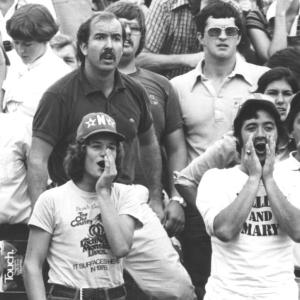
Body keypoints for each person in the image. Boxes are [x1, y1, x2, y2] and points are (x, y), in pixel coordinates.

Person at [27, 10, 163, 229]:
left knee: (166, 262)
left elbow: (149, 144)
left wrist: (156, 198)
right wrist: (41, 222)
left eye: (116, 38)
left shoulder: (136, 91)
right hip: (74, 206)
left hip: (125, 203)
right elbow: (37, 160)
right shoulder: (58, 95)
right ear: (83, 46)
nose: (109, 46)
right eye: (100, 37)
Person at [170, 1, 268, 296]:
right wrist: (177, 198)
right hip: (199, 200)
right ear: (200, 36)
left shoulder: (261, 79)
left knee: (253, 282)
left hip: (254, 199)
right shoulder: (178, 86)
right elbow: (172, 148)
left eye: (230, 30)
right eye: (214, 31)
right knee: (204, 281)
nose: (223, 36)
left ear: (240, 36)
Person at [23, 112, 145, 300]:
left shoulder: (125, 195)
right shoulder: (52, 199)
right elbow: (32, 264)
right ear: (80, 151)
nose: (105, 153)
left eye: (111, 147)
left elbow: (121, 247)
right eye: (96, 146)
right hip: (68, 294)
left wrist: (103, 192)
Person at [196, 97, 300, 299]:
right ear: (238, 138)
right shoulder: (215, 179)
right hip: (226, 294)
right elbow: (225, 230)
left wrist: (268, 178)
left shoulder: (294, 178)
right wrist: (254, 177)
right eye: (251, 127)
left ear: (279, 137)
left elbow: (297, 231)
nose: (260, 134)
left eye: (268, 127)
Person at [106, 0, 187, 237]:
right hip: (100, 199)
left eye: (135, 28)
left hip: (151, 202)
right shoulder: (86, 83)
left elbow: (176, 147)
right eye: (120, 28)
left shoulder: (162, 85)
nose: (128, 34)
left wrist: (175, 197)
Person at [175, 67, 299, 207]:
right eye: (272, 93)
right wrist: (210, 214)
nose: (280, 100)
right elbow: (185, 180)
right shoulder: (234, 143)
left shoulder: (295, 142)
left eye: (287, 93)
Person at [1, 3, 71, 116]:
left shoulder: (59, 75)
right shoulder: (15, 60)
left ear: (45, 40)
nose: (20, 50)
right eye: (16, 42)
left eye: (27, 45)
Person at [136, 0, 203, 79]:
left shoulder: (218, 6)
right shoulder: (164, 4)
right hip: (163, 85)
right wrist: (186, 60)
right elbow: (139, 60)